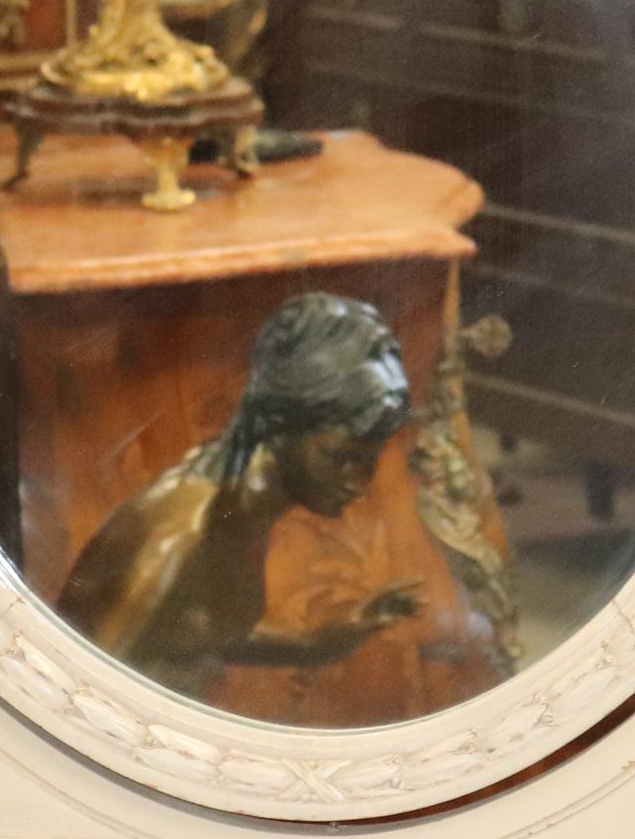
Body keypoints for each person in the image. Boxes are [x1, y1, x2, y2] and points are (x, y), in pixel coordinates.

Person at [56, 292, 423, 694]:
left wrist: (314, 645)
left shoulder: (239, 501)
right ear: (279, 422)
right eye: (340, 457)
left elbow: (185, 634)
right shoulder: (180, 540)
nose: (360, 483)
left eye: (370, 461)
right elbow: (81, 698)